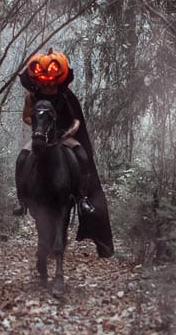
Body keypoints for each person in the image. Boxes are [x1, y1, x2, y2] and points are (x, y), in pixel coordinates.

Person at [13, 49, 114, 259]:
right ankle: (21, 200)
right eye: (43, 80)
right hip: (41, 135)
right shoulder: (31, 96)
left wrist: (66, 132)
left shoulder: (66, 96)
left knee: (82, 157)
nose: (47, 83)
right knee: (22, 157)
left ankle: (83, 197)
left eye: (51, 79)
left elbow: (77, 120)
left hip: (64, 135)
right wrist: (41, 127)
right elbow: (26, 117)